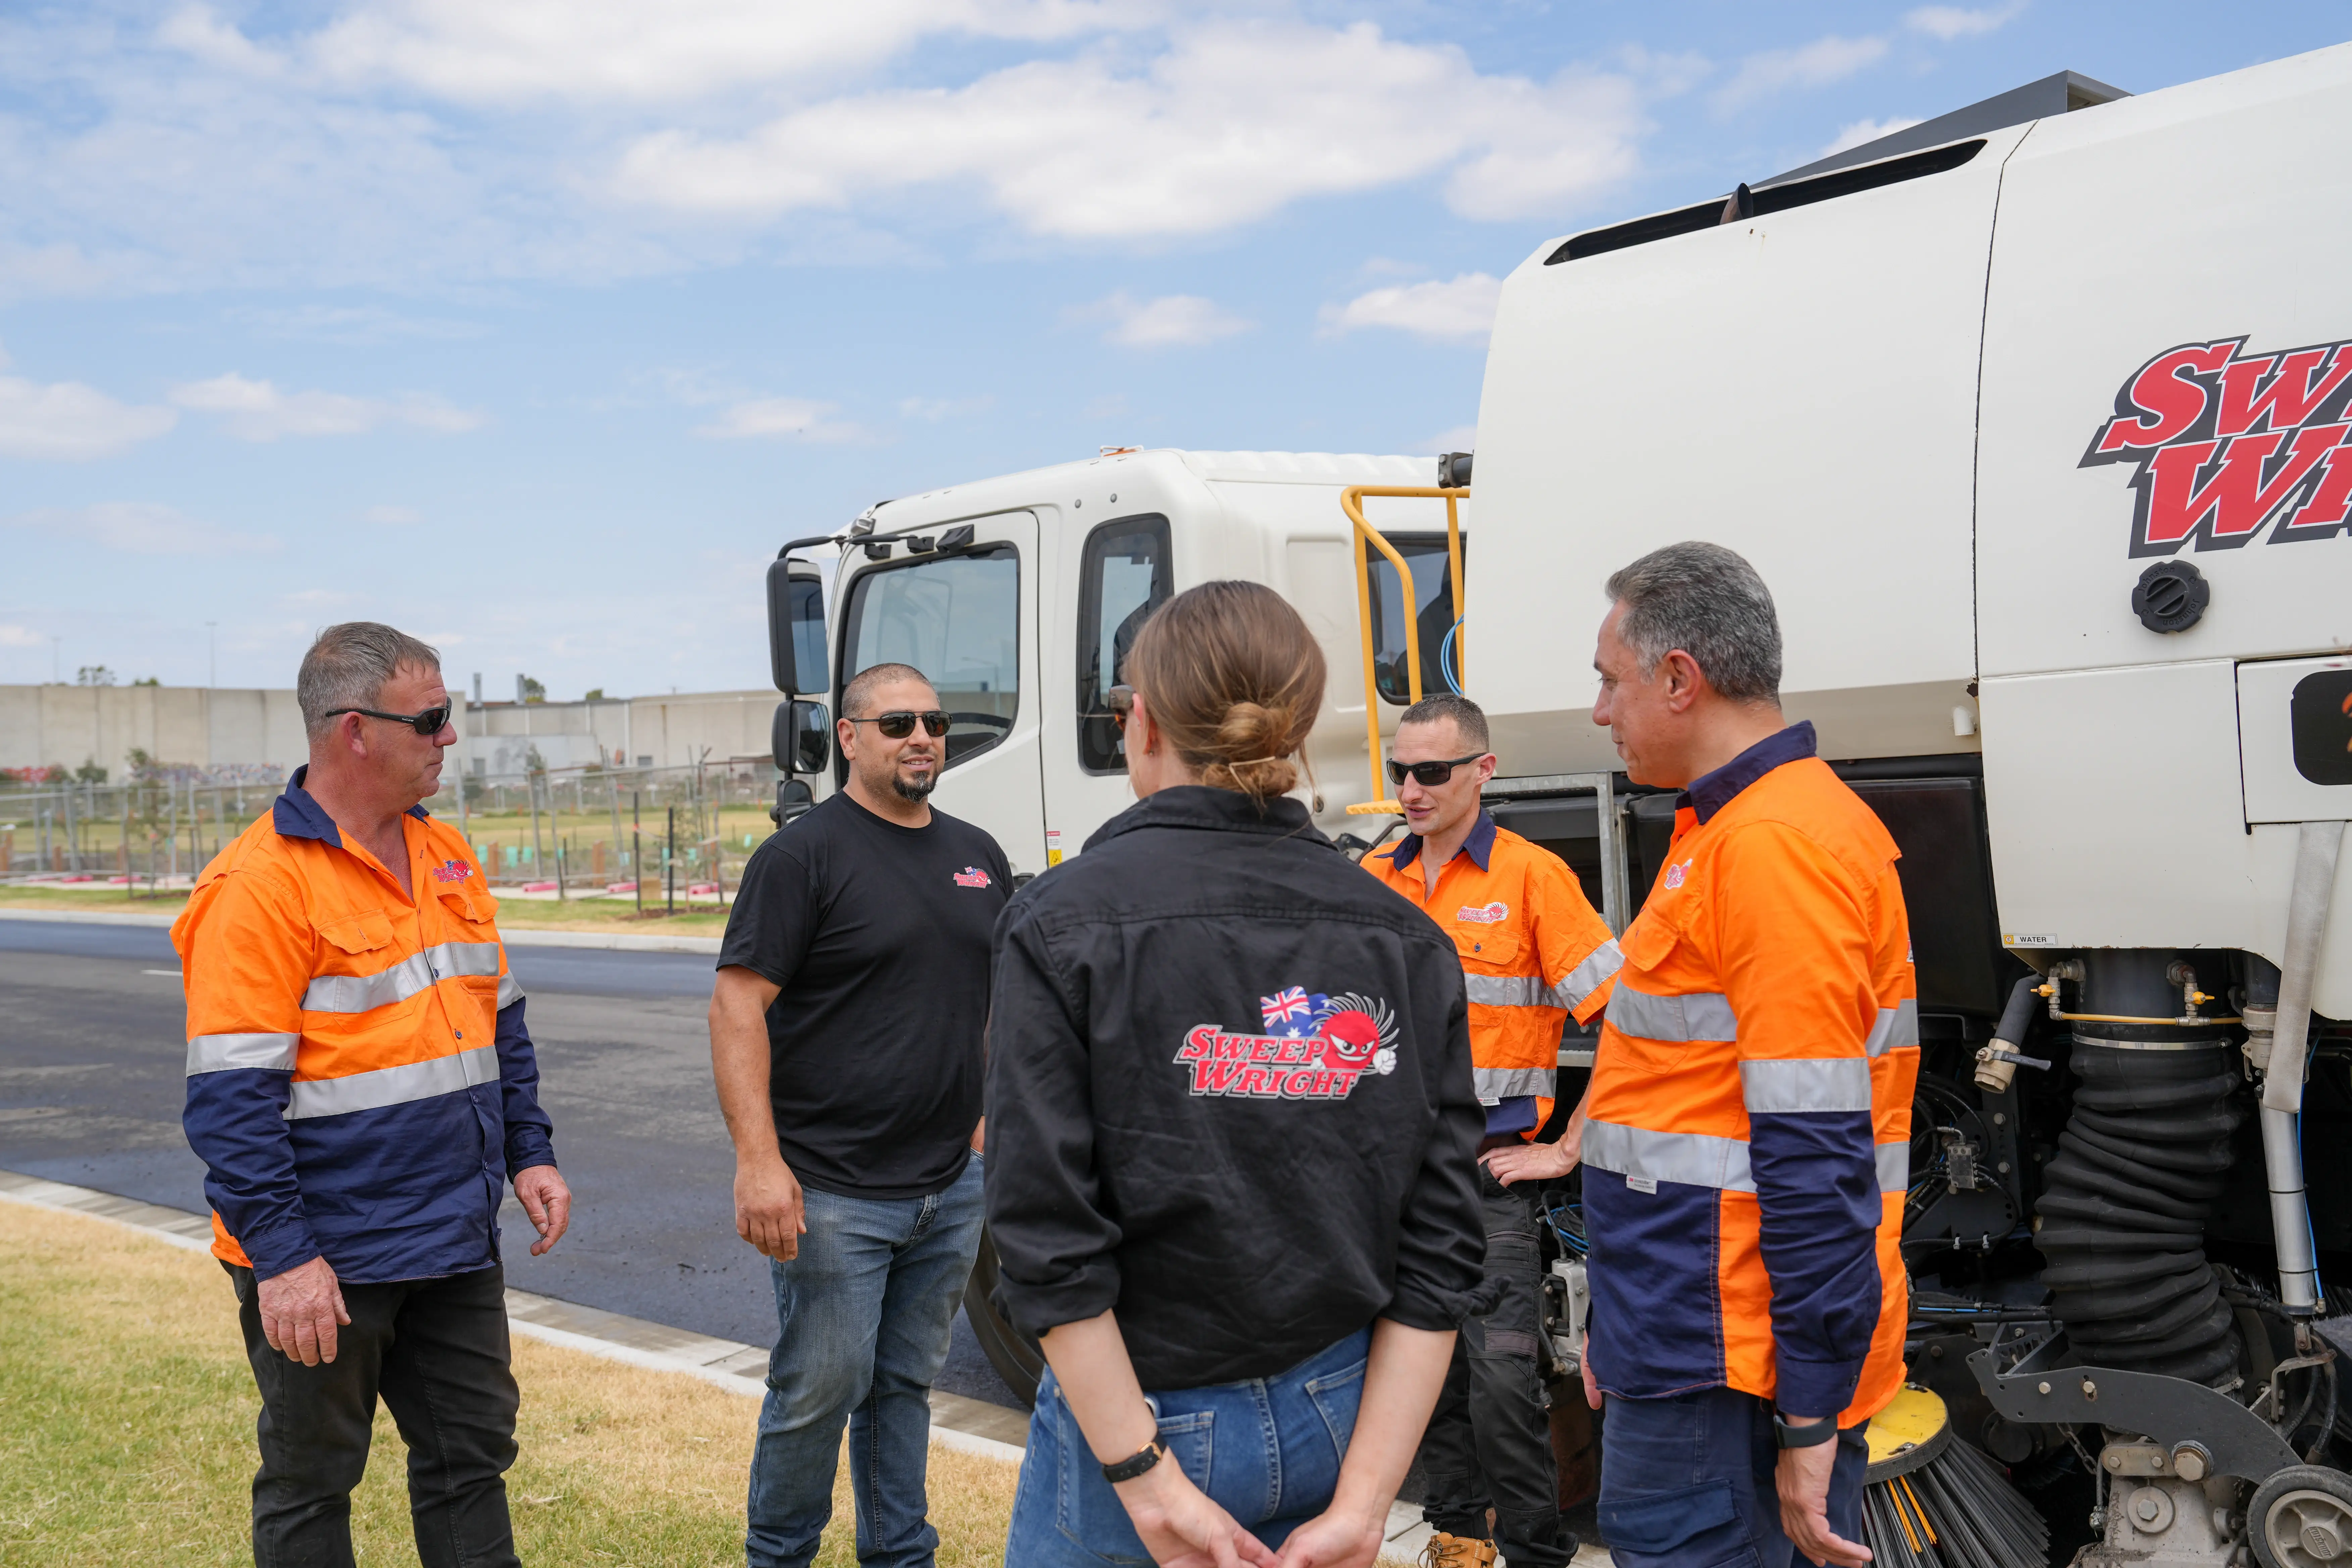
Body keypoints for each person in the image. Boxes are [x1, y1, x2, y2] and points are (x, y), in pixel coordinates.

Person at [984, 580, 1487, 1568]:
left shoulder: (1060, 924)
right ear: (1295, 731)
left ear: (1144, 725)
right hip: (1339, 1407)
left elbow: (1043, 1232)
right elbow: (1442, 1241)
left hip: (1142, 1409)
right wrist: (1366, 1502)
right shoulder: (1406, 939)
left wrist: (1145, 1478)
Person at [177, 622, 569, 1568]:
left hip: (452, 1238)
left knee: (471, 1460)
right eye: (431, 719)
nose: (450, 737)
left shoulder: (446, 854)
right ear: (354, 730)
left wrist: (530, 1149)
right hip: (329, 1256)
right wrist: (284, 1260)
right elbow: (231, 1104)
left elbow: (496, 1022)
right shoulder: (257, 888)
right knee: (313, 1485)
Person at [1575, 543, 1916, 1568]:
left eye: (1609, 679)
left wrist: (1811, 1415)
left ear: (1680, 678)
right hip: (1686, 1336)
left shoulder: (1772, 849)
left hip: (1732, 1361)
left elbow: (1816, 1154)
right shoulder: (1733, 832)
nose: (1600, 712)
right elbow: (1689, 1102)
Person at [709, 660, 1012, 1568]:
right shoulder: (803, 855)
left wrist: (987, 1116)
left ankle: (900, 1556)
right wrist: (760, 1164)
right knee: (818, 1391)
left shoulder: (978, 853)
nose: (921, 736)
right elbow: (736, 1007)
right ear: (849, 737)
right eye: (897, 723)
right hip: (832, 1191)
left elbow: (999, 997)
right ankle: (782, 1556)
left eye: (934, 720)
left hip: (950, 1188)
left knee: (904, 1388)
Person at [1360, 693, 1621, 1568]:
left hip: (1489, 1183)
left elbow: (1630, 1021)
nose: (1412, 789)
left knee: (1505, 1385)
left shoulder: (1534, 879)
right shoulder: (1375, 877)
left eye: (1432, 772)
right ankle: (1459, 1541)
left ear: (1483, 771)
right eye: (1401, 771)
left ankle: (1539, 1556)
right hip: (1397, 1181)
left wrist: (1569, 1145)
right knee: (1424, 1379)